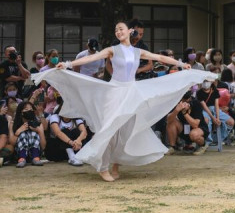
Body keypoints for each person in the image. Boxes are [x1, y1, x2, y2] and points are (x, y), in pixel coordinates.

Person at [32, 20, 214, 182]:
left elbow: (159, 58)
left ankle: (116, 164)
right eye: (116, 30)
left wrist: (181, 65)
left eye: (121, 29)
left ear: (129, 32)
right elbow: (92, 57)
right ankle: (103, 167)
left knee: (126, 132)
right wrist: (69, 64)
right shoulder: (113, 50)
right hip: (115, 92)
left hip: (132, 92)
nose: (118, 32)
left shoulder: (137, 51)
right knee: (110, 130)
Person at [45, 100, 88, 165]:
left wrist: (78, 141)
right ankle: (72, 156)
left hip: (75, 147)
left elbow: (84, 132)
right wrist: (71, 142)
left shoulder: (76, 118)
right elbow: (58, 133)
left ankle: (76, 155)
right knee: (65, 131)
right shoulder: (55, 117)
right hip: (57, 149)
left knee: (76, 131)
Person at [196, 78, 235, 145]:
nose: (206, 83)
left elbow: (216, 105)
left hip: (214, 109)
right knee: (206, 121)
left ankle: (218, 139)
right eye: (204, 81)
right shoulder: (199, 92)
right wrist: (213, 118)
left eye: (207, 81)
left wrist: (217, 117)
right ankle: (208, 140)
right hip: (204, 110)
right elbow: (204, 106)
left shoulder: (215, 91)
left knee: (231, 122)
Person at [10, 100, 46, 167]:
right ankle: (22, 158)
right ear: (21, 112)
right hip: (19, 153)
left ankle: (35, 157)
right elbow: (12, 143)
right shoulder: (13, 124)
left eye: (31, 109)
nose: (29, 111)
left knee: (33, 133)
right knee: (23, 134)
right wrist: (18, 132)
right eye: (26, 109)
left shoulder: (38, 124)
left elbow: (43, 146)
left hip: (36, 153)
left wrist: (39, 131)